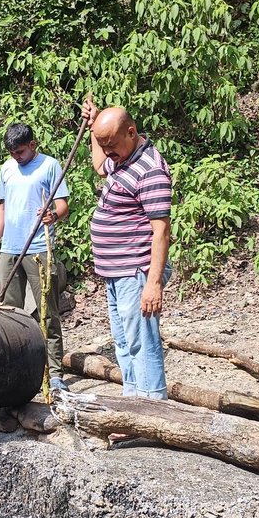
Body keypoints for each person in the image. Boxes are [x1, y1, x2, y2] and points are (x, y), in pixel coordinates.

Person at [81, 96, 172, 399]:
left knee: (142, 341)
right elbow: (99, 165)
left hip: (136, 271)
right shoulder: (122, 158)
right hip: (115, 271)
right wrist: (94, 125)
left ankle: (154, 408)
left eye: (111, 145)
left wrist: (154, 284)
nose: (108, 153)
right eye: (103, 145)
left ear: (131, 132)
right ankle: (132, 404)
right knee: (123, 341)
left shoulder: (150, 170)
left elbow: (161, 231)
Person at [0, 123, 70, 392]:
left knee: (48, 312)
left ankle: (54, 373)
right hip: (10, 249)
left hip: (38, 249)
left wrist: (53, 216)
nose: (16, 157)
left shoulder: (50, 166)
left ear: (33, 145)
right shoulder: (6, 169)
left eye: (20, 152)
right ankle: (16, 369)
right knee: (10, 314)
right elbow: (3, 208)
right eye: (12, 153)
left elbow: (63, 205)